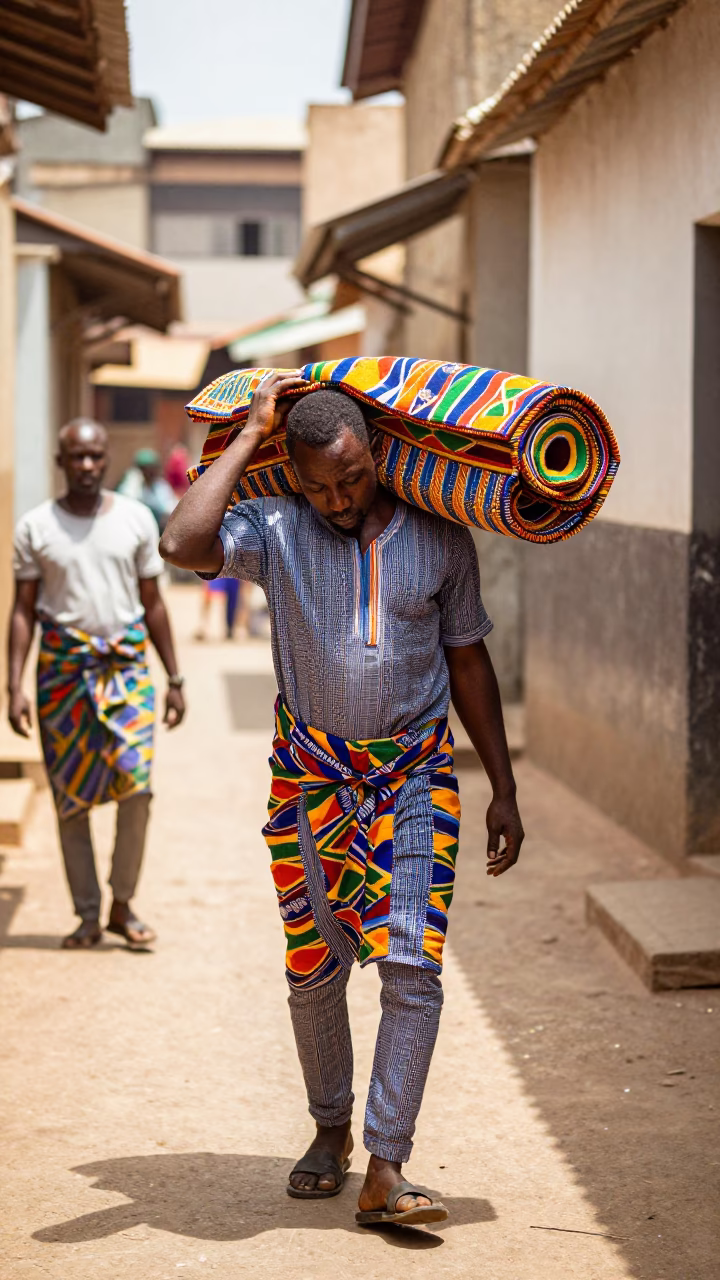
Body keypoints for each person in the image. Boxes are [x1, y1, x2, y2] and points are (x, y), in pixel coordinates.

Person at [159, 372, 524, 1227]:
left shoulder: (441, 538)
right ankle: (330, 1129)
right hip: (309, 783)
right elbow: (181, 544)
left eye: (351, 478)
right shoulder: (273, 527)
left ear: (377, 455)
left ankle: (386, 1164)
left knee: (414, 964)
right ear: (294, 475)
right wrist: (253, 434)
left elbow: (467, 659)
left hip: (417, 778)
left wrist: (503, 785)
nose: (337, 497)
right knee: (314, 970)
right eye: (319, 482)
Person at [7, 419, 186, 950]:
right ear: (61, 463)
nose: (86, 465)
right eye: (76, 457)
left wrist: (174, 678)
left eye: (94, 456)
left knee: (138, 788)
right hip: (61, 674)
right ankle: (87, 915)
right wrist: (12, 685)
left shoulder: (133, 519)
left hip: (126, 671)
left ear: (106, 460)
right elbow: (21, 613)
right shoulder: (35, 527)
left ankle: (122, 905)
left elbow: (154, 604)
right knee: (70, 799)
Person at [116, 447, 177, 532]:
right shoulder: (132, 484)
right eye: (147, 469)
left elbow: (170, 507)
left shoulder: (161, 485)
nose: (151, 472)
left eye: (154, 468)